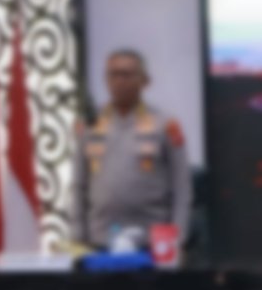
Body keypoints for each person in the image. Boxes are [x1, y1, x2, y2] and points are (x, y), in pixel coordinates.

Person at [71, 49, 192, 250]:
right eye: (113, 74)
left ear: (145, 81)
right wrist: (77, 236)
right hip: (100, 239)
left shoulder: (165, 124)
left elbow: (181, 187)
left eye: (127, 75)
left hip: (152, 240)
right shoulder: (90, 124)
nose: (119, 81)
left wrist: (178, 239)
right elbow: (79, 185)